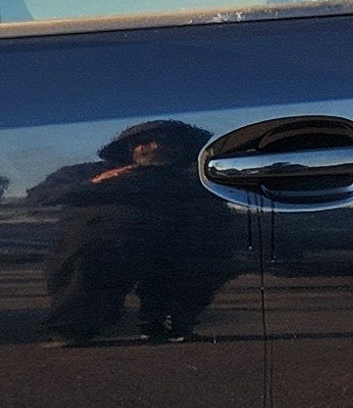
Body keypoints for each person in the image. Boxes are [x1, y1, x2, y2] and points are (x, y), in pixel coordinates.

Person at [29, 119, 242, 346]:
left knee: (202, 255)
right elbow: (39, 195)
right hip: (105, 248)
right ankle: (71, 329)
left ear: (183, 147)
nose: (155, 147)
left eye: (167, 141)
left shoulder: (199, 177)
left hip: (178, 250)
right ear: (128, 148)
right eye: (145, 142)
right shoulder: (90, 172)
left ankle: (169, 322)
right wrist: (93, 184)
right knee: (86, 260)